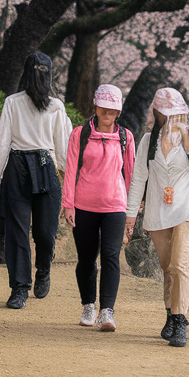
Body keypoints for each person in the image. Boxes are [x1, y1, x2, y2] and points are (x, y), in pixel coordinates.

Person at [125, 86, 189, 348]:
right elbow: (138, 179)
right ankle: (170, 314)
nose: (173, 119)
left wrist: (186, 143)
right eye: (168, 114)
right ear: (159, 113)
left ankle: (180, 321)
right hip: (158, 212)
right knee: (167, 269)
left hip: (186, 210)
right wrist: (129, 217)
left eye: (177, 113)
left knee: (179, 266)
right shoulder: (147, 141)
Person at [0, 51, 72, 309]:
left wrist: (69, 180)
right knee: (17, 230)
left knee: (46, 232)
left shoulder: (56, 106)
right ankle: (19, 287)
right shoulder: (12, 102)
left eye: (42, 70)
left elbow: (63, 146)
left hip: (46, 165)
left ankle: (44, 267)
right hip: (17, 165)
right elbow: (3, 140)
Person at [62, 83, 136, 332]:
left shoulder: (126, 137)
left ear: (118, 112)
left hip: (115, 205)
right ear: (95, 107)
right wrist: (68, 204)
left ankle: (107, 311)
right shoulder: (79, 134)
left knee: (111, 257)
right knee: (86, 259)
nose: (107, 113)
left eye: (112, 109)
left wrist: (131, 210)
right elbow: (71, 169)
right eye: (103, 108)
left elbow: (130, 174)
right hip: (84, 205)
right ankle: (88, 305)